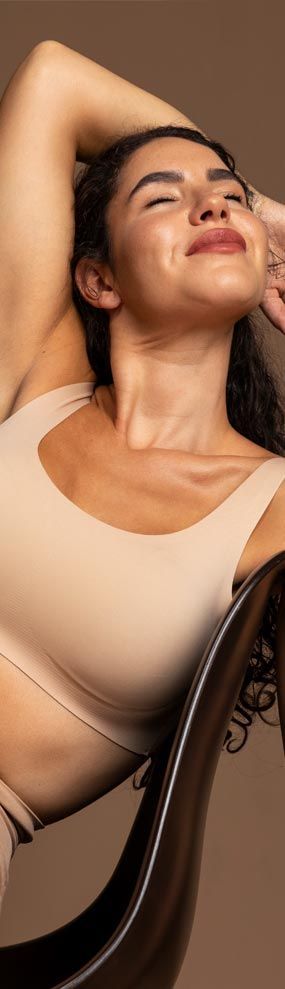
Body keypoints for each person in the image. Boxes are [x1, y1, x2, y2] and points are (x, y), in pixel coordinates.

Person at [0, 40, 284, 917]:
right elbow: (52, 77)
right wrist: (264, 208)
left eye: (228, 199)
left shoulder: (268, 506)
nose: (211, 206)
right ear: (98, 278)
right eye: (167, 199)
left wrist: (209, 202)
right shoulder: (34, 375)